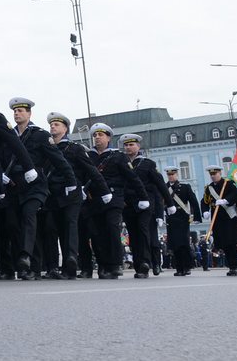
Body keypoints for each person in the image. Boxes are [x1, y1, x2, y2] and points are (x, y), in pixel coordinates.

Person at [1, 95, 60, 281]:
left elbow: (58, 160)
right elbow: (2, 158)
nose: (17, 114)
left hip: (35, 186)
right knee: (13, 224)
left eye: (20, 111)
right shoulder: (9, 135)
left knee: (28, 215)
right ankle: (30, 267)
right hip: (14, 186)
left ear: (29, 114)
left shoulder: (40, 135)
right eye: (15, 111)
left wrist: (72, 182)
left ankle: (25, 256)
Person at [45, 112, 109, 280]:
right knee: (52, 228)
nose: (52, 127)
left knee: (70, 225)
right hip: (53, 194)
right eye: (51, 125)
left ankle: (71, 260)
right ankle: (53, 267)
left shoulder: (74, 148)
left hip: (72, 193)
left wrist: (104, 191)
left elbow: (91, 171)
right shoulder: (47, 148)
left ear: (65, 128)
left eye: (56, 124)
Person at [83, 123, 147, 279]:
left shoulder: (118, 156)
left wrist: (143, 197)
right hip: (94, 199)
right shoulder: (89, 156)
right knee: (97, 233)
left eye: (100, 135)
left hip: (114, 197)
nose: (97, 137)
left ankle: (116, 264)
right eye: (95, 135)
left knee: (112, 228)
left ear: (108, 138)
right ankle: (103, 265)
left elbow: (132, 178)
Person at [120, 134, 169, 278]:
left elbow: (160, 185)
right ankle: (138, 265)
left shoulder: (147, 164)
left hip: (145, 204)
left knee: (144, 233)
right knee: (134, 236)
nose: (128, 147)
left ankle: (146, 263)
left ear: (138, 146)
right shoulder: (121, 163)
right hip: (128, 205)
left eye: (131, 145)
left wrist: (168, 205)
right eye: (126, 145)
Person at [201, 164, 237, 276]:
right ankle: (230, 266)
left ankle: (234, 267)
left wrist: (226, 200)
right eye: (211, 174)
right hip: (217, 219)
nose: (213, 176)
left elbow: (236, 194)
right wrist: (205, 211)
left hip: (229, 217)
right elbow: (204, 201)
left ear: (220, 173)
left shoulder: (228, 184)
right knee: (223, 244)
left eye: (215, 174)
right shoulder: (209, 188)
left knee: (231, 243)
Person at [161, 165, 201, 276]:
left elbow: (193, 201)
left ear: (177, 175)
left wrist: (196, 217)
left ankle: (187, 267)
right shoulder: (164, 187)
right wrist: (161, 215)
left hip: (183, 217)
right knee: (174, 244)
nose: (170, 176)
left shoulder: (185, 187)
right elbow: (160, 202)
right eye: (169, 174)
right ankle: (178, 268)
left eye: (172, 174)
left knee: (184, 243)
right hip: (171, 218)